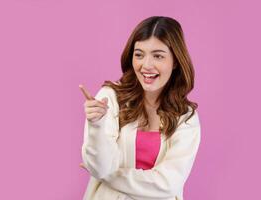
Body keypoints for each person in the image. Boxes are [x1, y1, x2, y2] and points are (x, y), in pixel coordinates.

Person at [79, 16, 201, 200]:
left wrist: (109, 176)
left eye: (158, 56)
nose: (146, 65)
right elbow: (100, 166)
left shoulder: (186, 116)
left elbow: (168, 184)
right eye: (139, 54)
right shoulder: (109, 97)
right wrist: (97, 125)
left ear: (175, 61)